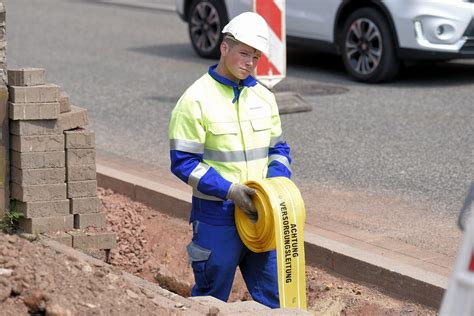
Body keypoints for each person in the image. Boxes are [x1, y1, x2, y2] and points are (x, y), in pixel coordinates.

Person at [168, 12, 292, 309]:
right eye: (244, 53)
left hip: (261, 214)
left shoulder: (264, 97)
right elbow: (183, 162)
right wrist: (230, 190)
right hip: (216, 217)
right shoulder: (196, 99)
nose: (250, 63)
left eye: (256, 57)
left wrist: (278, 184)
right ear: (224, 48)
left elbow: (278, 148)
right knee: (210, 302)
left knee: (276, 299)